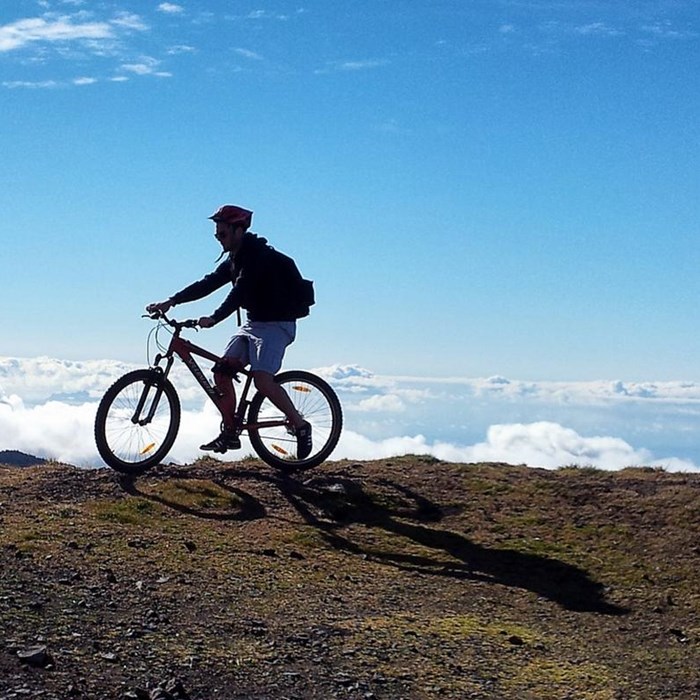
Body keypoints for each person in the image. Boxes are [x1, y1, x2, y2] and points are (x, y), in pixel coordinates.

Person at [147, 204, 312, 459]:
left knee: (262, 380)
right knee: (222, 371)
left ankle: (300, 425)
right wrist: (172, 300)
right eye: (217, 235)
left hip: (278, 324)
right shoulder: (235, 258)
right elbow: (208, 283)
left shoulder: (257, 257)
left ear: (238, 230)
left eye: (222, 234)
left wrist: (215, 317)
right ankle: (230, 432)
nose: (218, 239)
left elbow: (241, 291)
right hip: (254, 323)